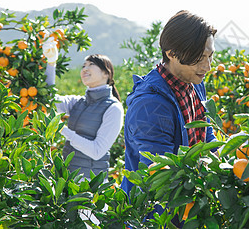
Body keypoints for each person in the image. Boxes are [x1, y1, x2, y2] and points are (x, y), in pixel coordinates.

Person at [121, 10, 218, 198]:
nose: (207, 67)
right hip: (159, 213)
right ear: (172, 54)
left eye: (210, 56)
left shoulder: (195, 84)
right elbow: (160, 174)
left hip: (192, 202)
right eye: (199, 58)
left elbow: (207, 136)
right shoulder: (150, 105)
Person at [43, 40, 124, 180]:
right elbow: (48, 98)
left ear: (107, 73)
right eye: (83, 66)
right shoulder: (78, 102)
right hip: (67, 178)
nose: (85, 69)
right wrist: (51, 63)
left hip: (90, 183)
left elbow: (97, 151)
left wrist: (62, 129)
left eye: (91, 65)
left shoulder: (113, 108)